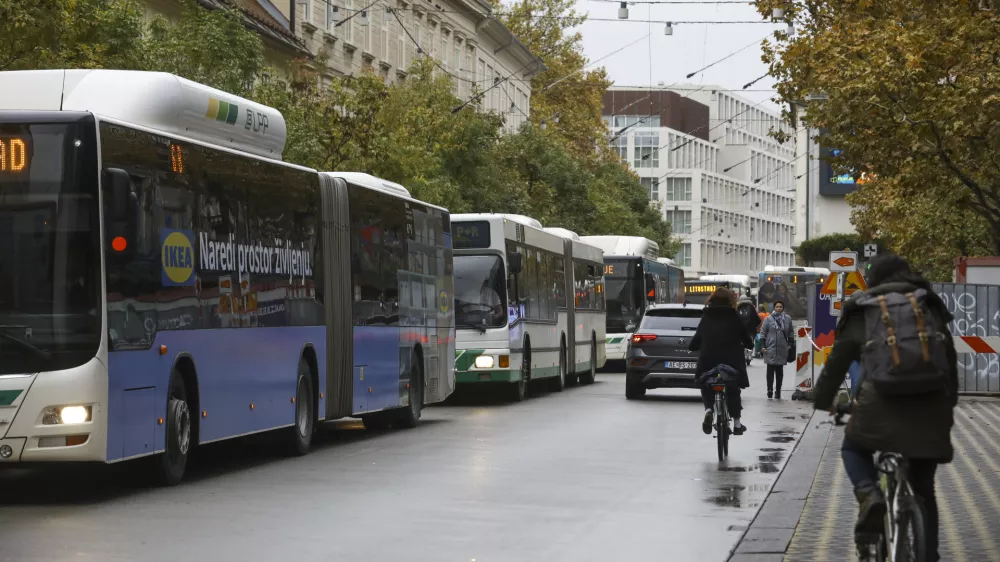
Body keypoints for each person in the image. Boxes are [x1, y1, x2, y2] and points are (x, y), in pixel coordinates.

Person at [813, 254, 956, 561]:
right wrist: (948, 405)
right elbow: (950, 360)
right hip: (930, 408)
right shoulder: (928, 304)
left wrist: (824, 401)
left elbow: (837, 363)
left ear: (873, 279)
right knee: (923, 488)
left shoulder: (863, 308)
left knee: (853, 448)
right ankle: (927, 554)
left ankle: (870, 495)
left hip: (878, 404)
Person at [689, 287, 754, 435]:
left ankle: (709, 409)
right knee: (733, 388)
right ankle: (737, 424)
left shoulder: (706, 317)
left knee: (706, 383)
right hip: (731, 361)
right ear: (730, 300)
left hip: (708, 360)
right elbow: (745, 337)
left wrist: (692, 346)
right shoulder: (734, 317)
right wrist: (749, 345)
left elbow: (698, 338)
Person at [760, 300, 793, 399]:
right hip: (770, 348)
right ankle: (769, 390)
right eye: (777, 307)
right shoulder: (768, 319)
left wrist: (790, 344)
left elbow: (791, 332)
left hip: (782, 349)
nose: (779, 308)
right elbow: (763, 333)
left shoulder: (787, 319)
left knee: (780, 372)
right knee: (770, 371)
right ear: (774, 308)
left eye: (780, 307)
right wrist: (763, 346)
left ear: (783, 308)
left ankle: (778, 391)